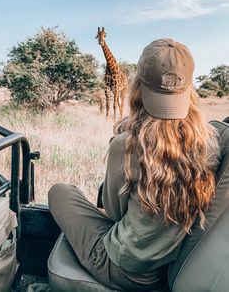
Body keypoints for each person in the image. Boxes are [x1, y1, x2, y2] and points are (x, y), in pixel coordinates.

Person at [48, 38, 219, 291]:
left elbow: (113, 212)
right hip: (163, 270)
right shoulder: (209, 144)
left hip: (120, 269)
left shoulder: (126, 145)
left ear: (137, 86)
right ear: (189, 89)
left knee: (59, 192)